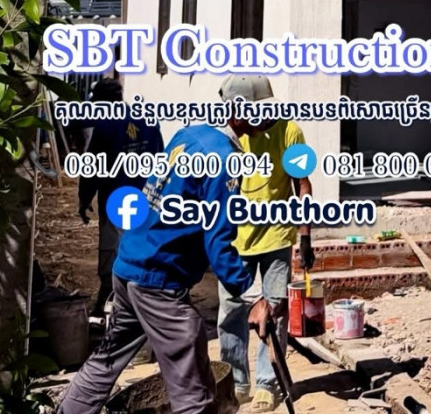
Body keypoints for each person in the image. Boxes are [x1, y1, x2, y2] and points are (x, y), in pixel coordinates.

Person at [58, 103, 275, 414]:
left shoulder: (190, 134)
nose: (265, 119)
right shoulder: (224, 158)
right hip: (157, 278)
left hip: (130, 263)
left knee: (106, 361)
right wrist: (251, 295)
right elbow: (218, 238)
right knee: (193, 388)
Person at [216, 75, 315, 412]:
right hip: (236, 238)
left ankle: (266, 383)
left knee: (274, 311)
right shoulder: (231, 134)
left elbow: (302, 185)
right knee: (231, 311)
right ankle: (236, 381)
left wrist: (305, 236)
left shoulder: (290, 132)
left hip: (276, 235)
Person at [76, 76, 163, 317]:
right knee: (141, 251)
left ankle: (110, 301)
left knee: (112, 252)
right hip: (146, 198)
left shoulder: (105, 126)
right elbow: (162, 158)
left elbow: (92, 166)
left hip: (116, 200)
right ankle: (141, 306)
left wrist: (84, 199)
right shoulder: (147, 119)